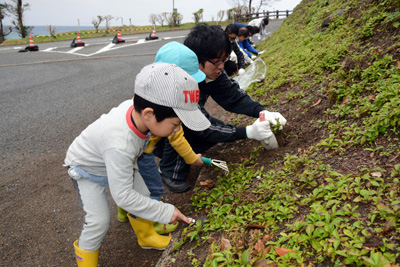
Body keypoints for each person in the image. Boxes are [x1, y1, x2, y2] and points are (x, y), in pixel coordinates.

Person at [65, 62, 211, 266]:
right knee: (98, 221)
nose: (177, 129)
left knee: (141, 194)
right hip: (87, 170)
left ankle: (146, 236)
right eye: (176, 124)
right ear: (149, 114)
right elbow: (123, 196)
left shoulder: (141, 114)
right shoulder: (119, 144)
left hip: (120, 160)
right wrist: (165, 211)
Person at [158, 25, 287, 193]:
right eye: (217, 61)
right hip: (159, 132)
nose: (221, 67)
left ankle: (189, 153)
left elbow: (232, 95)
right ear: (196, 59)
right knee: (183, 129)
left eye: (224, 60)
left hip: (191, 117)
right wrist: (248, 132)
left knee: (216, 130)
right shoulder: (180, 81)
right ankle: (169, 171)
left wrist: (261, 111)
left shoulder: (213, 70)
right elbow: (201, 124)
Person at [117, 42, 207, 229]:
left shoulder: (144, 101)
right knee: (152, 188)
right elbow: (177, 138)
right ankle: (156, 220)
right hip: (142, 153)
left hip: (142, 151)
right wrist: (192, 159)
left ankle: (123, 211)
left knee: (129, 180)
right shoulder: (164, 110)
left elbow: (176, 136)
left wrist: (192, 159)